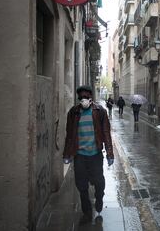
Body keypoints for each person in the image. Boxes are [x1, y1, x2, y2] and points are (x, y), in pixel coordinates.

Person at [63, 85, 114, 221]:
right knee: (81, 185)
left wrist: (110, 154)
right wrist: (67, 154)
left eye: (85, 97)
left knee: (99, 182)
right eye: (80, 98)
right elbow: (69, 135)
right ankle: (86, 212)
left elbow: (106, 133)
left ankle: (99, 198)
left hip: (95, 155)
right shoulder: (73, 113)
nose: (83, 100)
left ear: (90, 98)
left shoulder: (100, 111)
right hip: (79, 155)